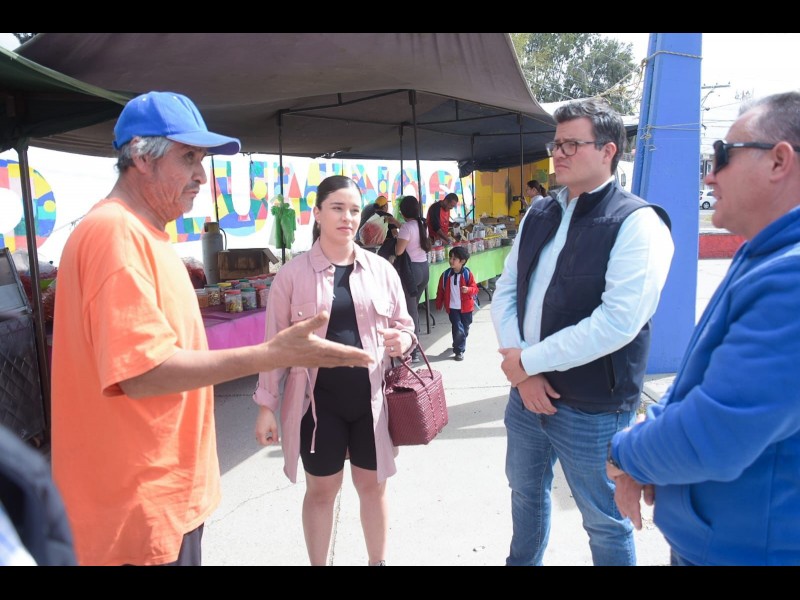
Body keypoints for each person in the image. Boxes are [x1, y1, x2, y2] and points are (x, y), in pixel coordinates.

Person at [49, 91, 373, 567]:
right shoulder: (116, 233)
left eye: (201, 159)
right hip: (136, 513)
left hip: (161, 500)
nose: (202, 175)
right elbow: (142, 372)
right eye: (189, 158)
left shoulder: (143, 232)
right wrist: (273, 355)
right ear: (142, 157)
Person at [608, 91, 800, 567]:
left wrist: (625, 454)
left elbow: (716, 431)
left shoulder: (790, 278)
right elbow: (697, 385)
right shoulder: (767, 255)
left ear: (779, 161)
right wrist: (651, 446)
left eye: (723, 156)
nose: (710, 175)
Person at [490, 97, 674, 566]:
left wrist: (527, 363)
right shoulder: (540, 213)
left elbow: (617, 322)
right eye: (556, 144)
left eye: (572, 144)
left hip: (593, 406)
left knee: (604, 519)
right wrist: (521, 370)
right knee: (524, 494)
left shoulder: (638, 222)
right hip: (526, 394)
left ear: (608, 150)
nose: (559, 153)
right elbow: (507, 290)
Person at [253, 175, 417, 567]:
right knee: (322, 492)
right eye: (337, 208)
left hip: (371, 403)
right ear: (317, 213)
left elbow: (406, 326)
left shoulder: (381, 270)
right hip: (317, 406)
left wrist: (403, 340)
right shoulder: (292, 275)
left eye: (355, 210)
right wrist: (265, 406)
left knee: (373, 488)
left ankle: (377, 562)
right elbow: (273, 347)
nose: (348, 218)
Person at [395, 195, 433, 363]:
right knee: (413, 309)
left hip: (411, 272)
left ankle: (414, 352)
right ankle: (413, 347)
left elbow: (399, 251)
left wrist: (396, 236)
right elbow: (411, 231)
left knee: (411, 312)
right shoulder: (422, 224)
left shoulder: (406, 228)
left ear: (403, 212)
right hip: (424, 270)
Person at [435, 245, 478, 361]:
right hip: (453, 308)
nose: (451, 260)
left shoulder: (467, 274)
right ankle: (459, 351)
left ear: (462, 261)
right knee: (457, 328)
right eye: (450, 258)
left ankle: (458, 342)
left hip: (466, 308)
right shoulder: (445, 275)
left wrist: (468, 289)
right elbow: (440, 290)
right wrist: (439, 303)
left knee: (465, 328)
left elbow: (475, 289)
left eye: (454, 259)